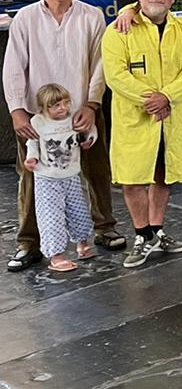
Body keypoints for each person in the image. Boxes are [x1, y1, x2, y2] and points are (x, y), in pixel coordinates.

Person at [4, 0, 123, 273]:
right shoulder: (25, 18)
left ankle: (104, 228)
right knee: (31, 175)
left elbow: (101, 64)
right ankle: (28, 243)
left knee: (96, 170)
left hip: (81, 110)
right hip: (38, 115)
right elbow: (14, 66)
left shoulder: (91, 15)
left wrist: (92, 105)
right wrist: (17, 111)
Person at [101, 0, 182, 267]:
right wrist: (151, 99)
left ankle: (157, 230)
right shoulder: (118, 31)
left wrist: (167, 97)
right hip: (136, 116)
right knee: (132, 179)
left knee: (164, 174)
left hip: (170, 113)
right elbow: (116, 76)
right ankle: (141, 235)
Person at [24, 83, 97, 273]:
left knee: (78, 210)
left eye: (66, 103)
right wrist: (31, 157)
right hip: (47, 178)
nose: (63, 108)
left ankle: (82, 242)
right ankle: (56, 255)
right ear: (44, 108)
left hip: (71, 175)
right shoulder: (38, 122)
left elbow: (89, 129)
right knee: (51, 215)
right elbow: (32, 141)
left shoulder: (73, 117)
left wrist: (89, 138)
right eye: (57, 106)